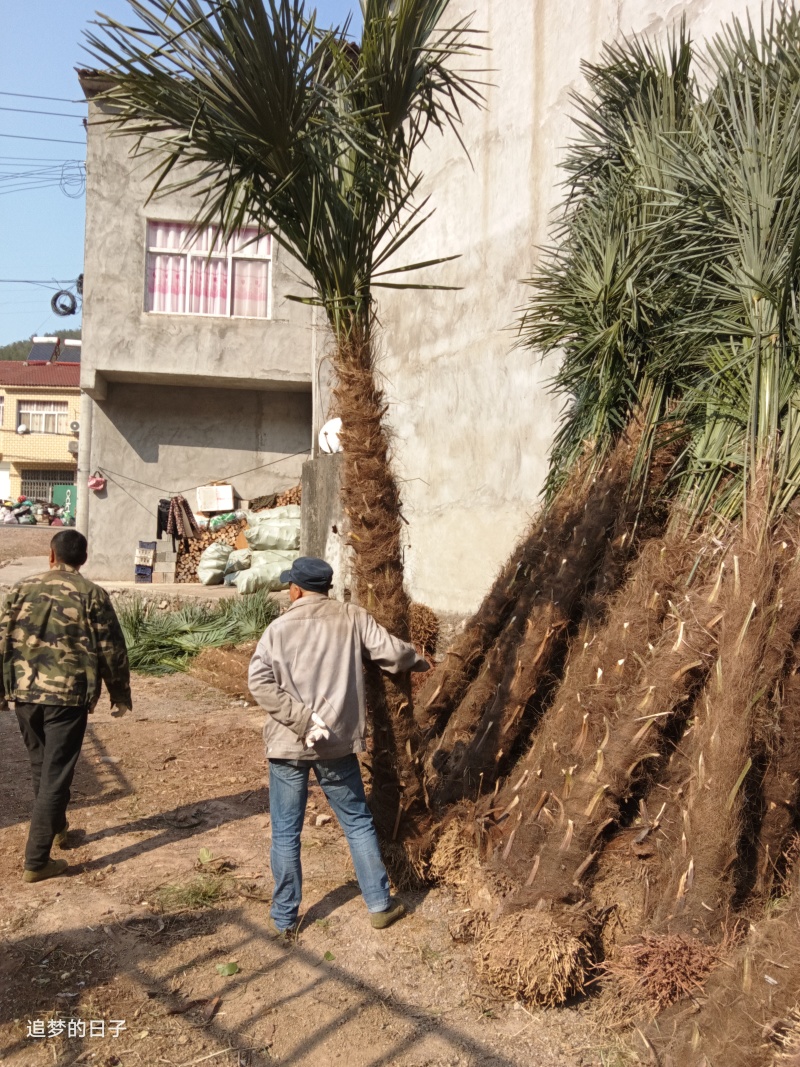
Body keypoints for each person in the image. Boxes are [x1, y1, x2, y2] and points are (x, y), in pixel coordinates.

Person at [248, 556, 430, 936]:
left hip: (288, 744)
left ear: (296, 589)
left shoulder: (278, 629)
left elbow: (259, 682)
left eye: (289, 586)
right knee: (357, 823)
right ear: (326, 588)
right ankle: (380, 905)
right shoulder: (351, 618)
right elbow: (393, 654)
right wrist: (420, 661)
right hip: (334, 743)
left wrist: (299, 718)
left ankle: (284, 919)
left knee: (285, 832)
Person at [0, 529, 132, 883]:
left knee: (41, 762)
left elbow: (2, 638)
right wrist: (119, 694)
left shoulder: (19, 589)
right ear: (83, 559)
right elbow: (111, 649)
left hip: (25, 692)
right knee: (56, 771)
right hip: (67, 696)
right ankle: (37, 859)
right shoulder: (92, 594)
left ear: (51, 555)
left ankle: (56, 826)